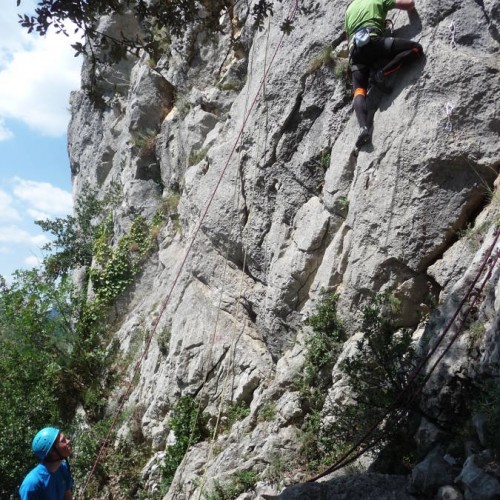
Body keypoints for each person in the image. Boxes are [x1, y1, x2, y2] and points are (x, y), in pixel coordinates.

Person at [345, 0, 424, 148]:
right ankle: (381, 73)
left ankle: (364, 128)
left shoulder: (349, 10)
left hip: (355, 52)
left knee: (359, 90)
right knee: (416, 49)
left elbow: (348, 37)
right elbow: (408, 4)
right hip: (374, 42)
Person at [19, 427, 73, 500]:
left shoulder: (62, 468)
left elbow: (67, 495)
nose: (68, 441)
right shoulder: (32, 484)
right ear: (52, 451)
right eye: (63, 440)